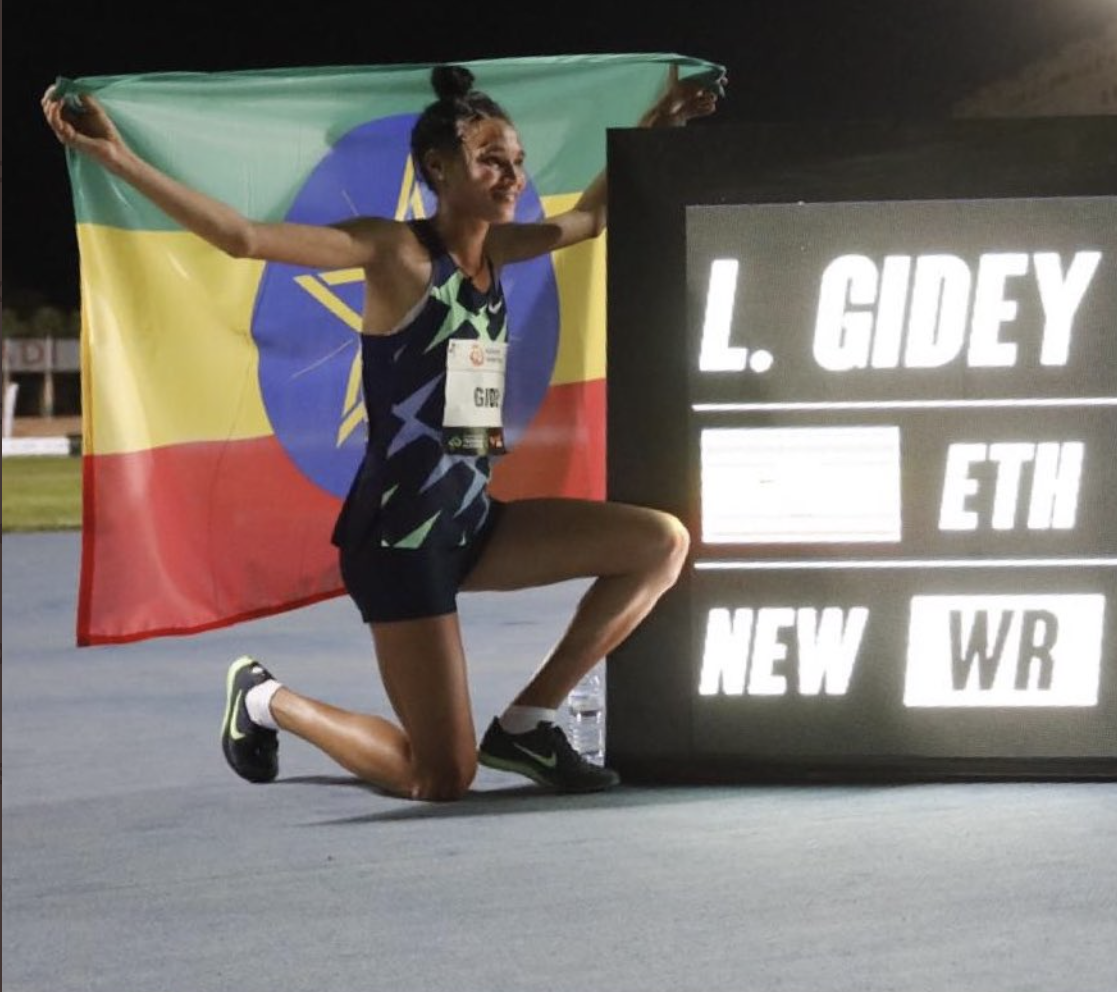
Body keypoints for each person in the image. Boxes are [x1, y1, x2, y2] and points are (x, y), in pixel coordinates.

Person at [42, 64, 718, 800]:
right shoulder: (394, 252)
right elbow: (242, 238)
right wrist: (118, 158)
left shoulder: (498, 252)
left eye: (518, 160)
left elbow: (590, 217)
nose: (513, 175)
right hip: (401, 541)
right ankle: (267, 699)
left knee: (660, 543)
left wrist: (658, 126)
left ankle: (528, 723)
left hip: (471, 523)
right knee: (441, 776)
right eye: (491, 159)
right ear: (438, 167)